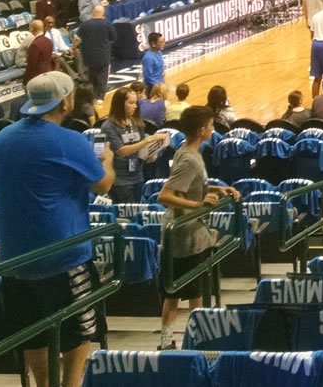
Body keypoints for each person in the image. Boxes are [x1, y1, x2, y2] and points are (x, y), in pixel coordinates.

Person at [0, 71, 115, 387]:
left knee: (32, 334)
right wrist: (109, 160)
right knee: (80, 330)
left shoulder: (1, 139)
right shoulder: (70, 141)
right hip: (63, 256)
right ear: (66, 101)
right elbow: (102, 185)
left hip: (14, 260)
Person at [157, 105, 239, 349]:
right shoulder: (190, 159)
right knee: (180, 294)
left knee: (190, 293)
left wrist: (216, 189)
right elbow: (165, 195)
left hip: (188, 232)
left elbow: (191, 185)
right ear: (202, 130)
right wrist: (198, 203)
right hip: (184, 236)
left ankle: (180, 339)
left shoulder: (188, 150)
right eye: (211, 126)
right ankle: (187, 340)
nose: (213, 130)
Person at [102, 87, 166, 205]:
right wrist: (148, 140)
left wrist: (151, 154)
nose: (135, 106)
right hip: (120, 180)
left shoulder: (136, 122)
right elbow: (121, 151)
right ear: (120, 104)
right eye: (131, 103)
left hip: (138, 176)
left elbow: (140, 147)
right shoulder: (108, 126)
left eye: (136, 103)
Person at [78, 4, 117, 100]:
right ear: (103, 14)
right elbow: (114, 38)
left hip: (88, 57)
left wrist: (74, 48)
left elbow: (76, 39)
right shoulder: (107, 24)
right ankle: (100, 98)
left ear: (93, 13)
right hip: (103, 56)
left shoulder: (84, 24)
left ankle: (91, 97)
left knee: (91, 77)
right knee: (102, 78)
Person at [141, 31, 167, 99]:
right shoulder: (148, 58)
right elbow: (148, 77)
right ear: (153, 44)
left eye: (164, 41)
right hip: (152, 89)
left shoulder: (159, 52)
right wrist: (159, 87)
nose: (164, 44)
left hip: (161, 86)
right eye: (161, 42)